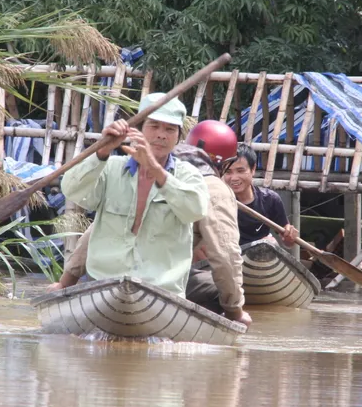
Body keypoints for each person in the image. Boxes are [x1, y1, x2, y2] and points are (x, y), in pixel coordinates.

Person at [52, 120, 252, 328]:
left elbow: (99, 230)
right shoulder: (214, 187)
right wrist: (235, 310)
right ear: (223, 161)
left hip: (116, 279)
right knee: (215, 287)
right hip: (158, 284)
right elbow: (225, 253)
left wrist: (65, 283)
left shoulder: (143, 166)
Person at [57, 93, 209, 297]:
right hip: (104, 284)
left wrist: (155, 169)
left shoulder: (188, 175)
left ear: (178, 138)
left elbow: (195, 211)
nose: (162, 135)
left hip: (161, 290)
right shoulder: (110, 168)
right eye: (154, 126)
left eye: (170, 129)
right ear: (137, 131)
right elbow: (71, 189)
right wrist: (103, 151)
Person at [222, 143, 299, 246]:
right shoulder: (219, 201)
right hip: (230, 254)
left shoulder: (270, 199)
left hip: (259, 256)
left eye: (240, 171)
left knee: (271, 243)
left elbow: (288, 243)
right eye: (228, 172)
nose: (234, 178)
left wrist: (290, 236)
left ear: (253, 169)